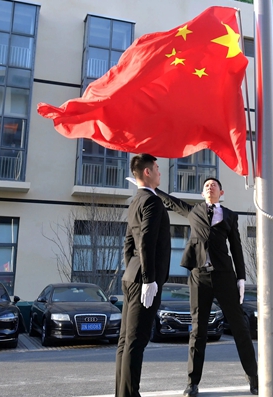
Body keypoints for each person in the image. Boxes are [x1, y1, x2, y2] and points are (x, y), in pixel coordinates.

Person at [156, 177, 258, 396]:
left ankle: (254, 377)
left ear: (221, 192)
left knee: (240, 327)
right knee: (198, 331)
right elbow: (172, 202)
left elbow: (237, 247)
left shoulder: (230, 215)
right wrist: (150, 188)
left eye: (214, 185)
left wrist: (241, 278)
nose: (210, 187)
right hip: (199, 276)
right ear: (202, 194)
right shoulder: (194, 211)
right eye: (206, 186)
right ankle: (192, 383)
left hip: (224, 276)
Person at [115, 154, 171, 397]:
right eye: (156, 168)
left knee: (125, 341)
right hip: (144, 279)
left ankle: (122, 393)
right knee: (136, 341)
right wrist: (148, 278)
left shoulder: (135, 201)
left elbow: (129, 243)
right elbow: (145, 240)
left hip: (131, 275)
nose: (160, 171)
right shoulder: (152, 201)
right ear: (147, 172)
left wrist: (133, 268)